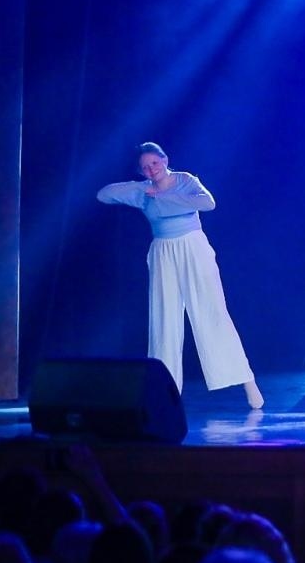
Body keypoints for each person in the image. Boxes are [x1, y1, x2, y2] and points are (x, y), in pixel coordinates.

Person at [96, 142, 263, 408]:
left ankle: (246, 380)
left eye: (155, 162)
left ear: (165, 159)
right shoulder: (143, 191)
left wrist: (163, 197)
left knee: (212, 312)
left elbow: (208, 203)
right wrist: (140, 189)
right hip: (163, 252)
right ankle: (164, 389)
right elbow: (103, 195)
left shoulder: (185, 180)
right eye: (145, 167)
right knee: (164, 320)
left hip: (193, 247)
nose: (152, 169)